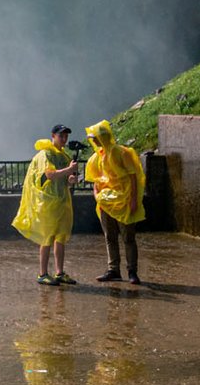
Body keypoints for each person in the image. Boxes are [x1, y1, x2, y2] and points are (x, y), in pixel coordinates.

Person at [13, 124, 79, 285]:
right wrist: (68, 170)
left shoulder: (63, 156)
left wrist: (71, 179)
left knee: (60, 238)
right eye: (61, 136)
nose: (64, 139)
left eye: (65, 136)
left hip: (62, 202)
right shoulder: (45, 154)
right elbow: (49, 174)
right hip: (48, 203)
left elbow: (65, 180)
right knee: (46, 237)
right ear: (53, 136)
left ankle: (59, 272)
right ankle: (42, 273)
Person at [84, 120, 146, 284]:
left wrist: (133, 200)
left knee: (128, 237)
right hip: (106, 202)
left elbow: (133, 176)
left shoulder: (121, 153)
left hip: (123, 199)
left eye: (95, 138)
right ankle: (113, 270)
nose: (94, 141)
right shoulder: (97, 157)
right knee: (109, 236)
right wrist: (96, 194)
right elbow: (97, 179)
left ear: (102, 136)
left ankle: (132, 271)